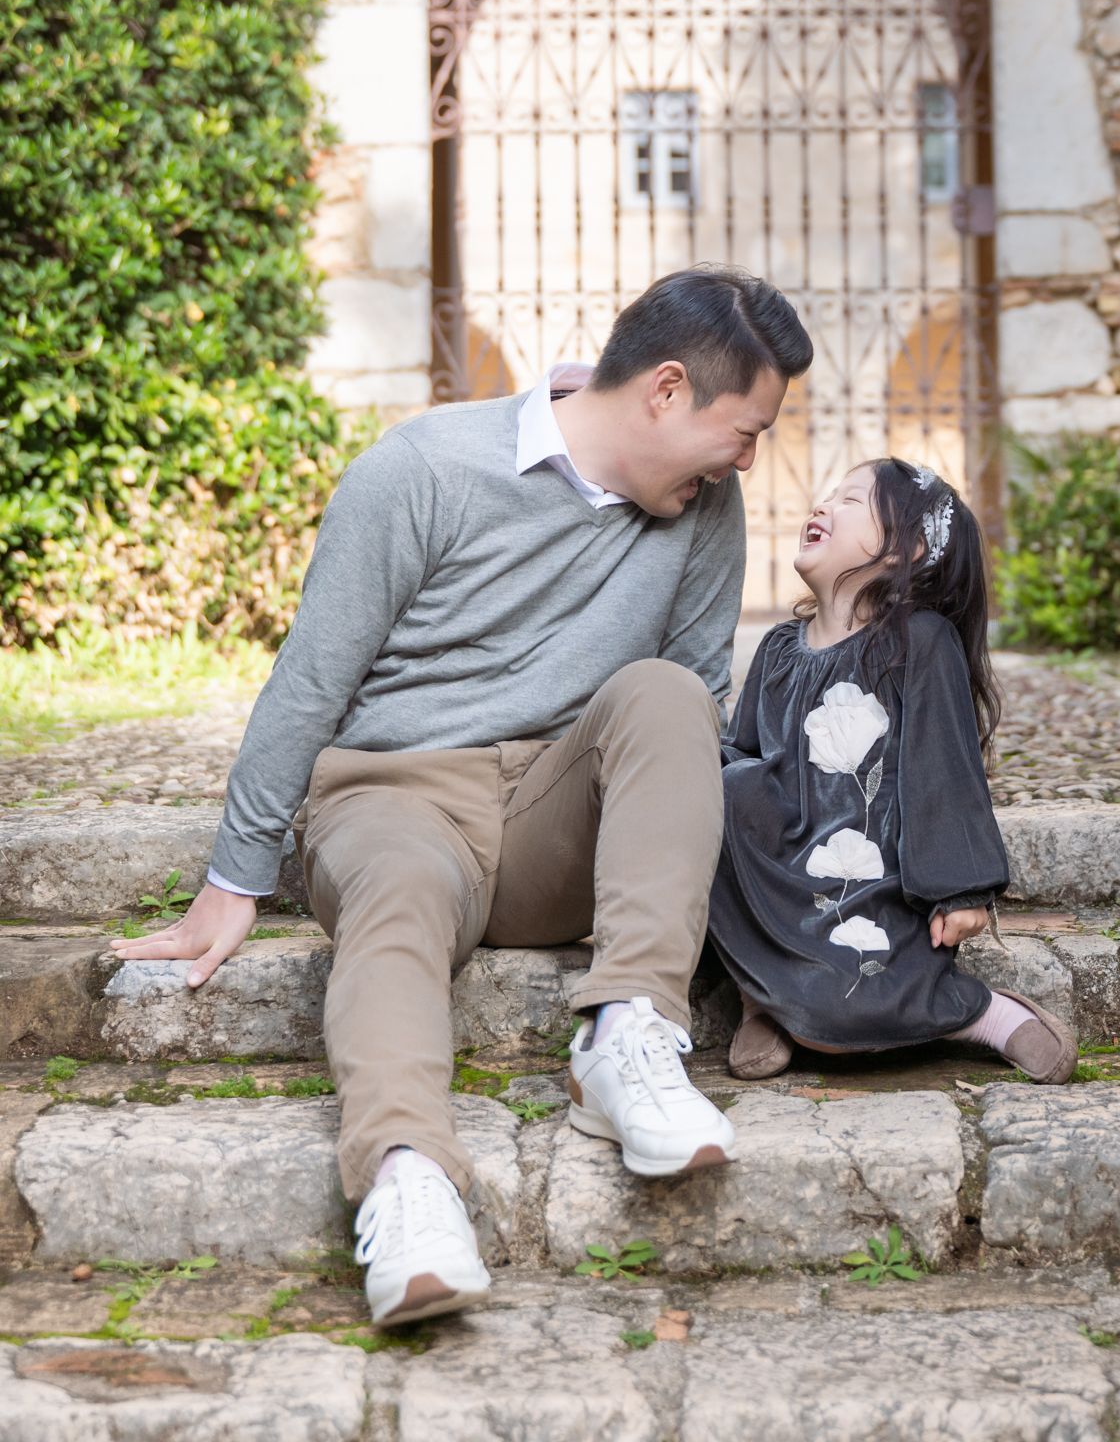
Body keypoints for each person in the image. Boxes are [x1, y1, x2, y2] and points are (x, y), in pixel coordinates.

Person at [109, 266, 813, 1328]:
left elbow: (687, 707)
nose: (749, 457)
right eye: (745, 429)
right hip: (394, 793)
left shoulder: (706, 507)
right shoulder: (425, 467)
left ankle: (626, 1034)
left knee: (670, 694)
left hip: (550, 816)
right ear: (667, 389)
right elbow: (313, 677)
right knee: (392, 889)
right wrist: (233, 874)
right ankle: (409, 1180)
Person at [709, 457, 1077, 1085]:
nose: (823, 505)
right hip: (782, 867)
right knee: (718, 785)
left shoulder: (917, 641)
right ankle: (760, 996)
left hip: (869, 869)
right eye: (827, 495)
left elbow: (944, 766)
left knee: (863, 979)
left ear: (904, 548)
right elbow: (747, 749)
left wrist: (959, 888)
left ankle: (978, 1013)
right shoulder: (774, 649)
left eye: (852, 501)